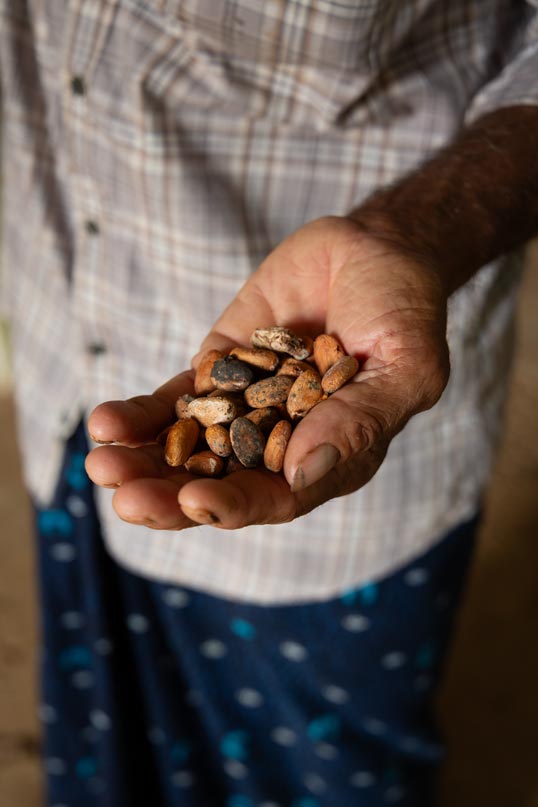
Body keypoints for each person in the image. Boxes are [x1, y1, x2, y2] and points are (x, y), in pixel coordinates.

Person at [1, 1, 537, 805]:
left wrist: (416, 230)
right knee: (115, 743)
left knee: (322, 769)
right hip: (63, 367)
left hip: (343, 526)